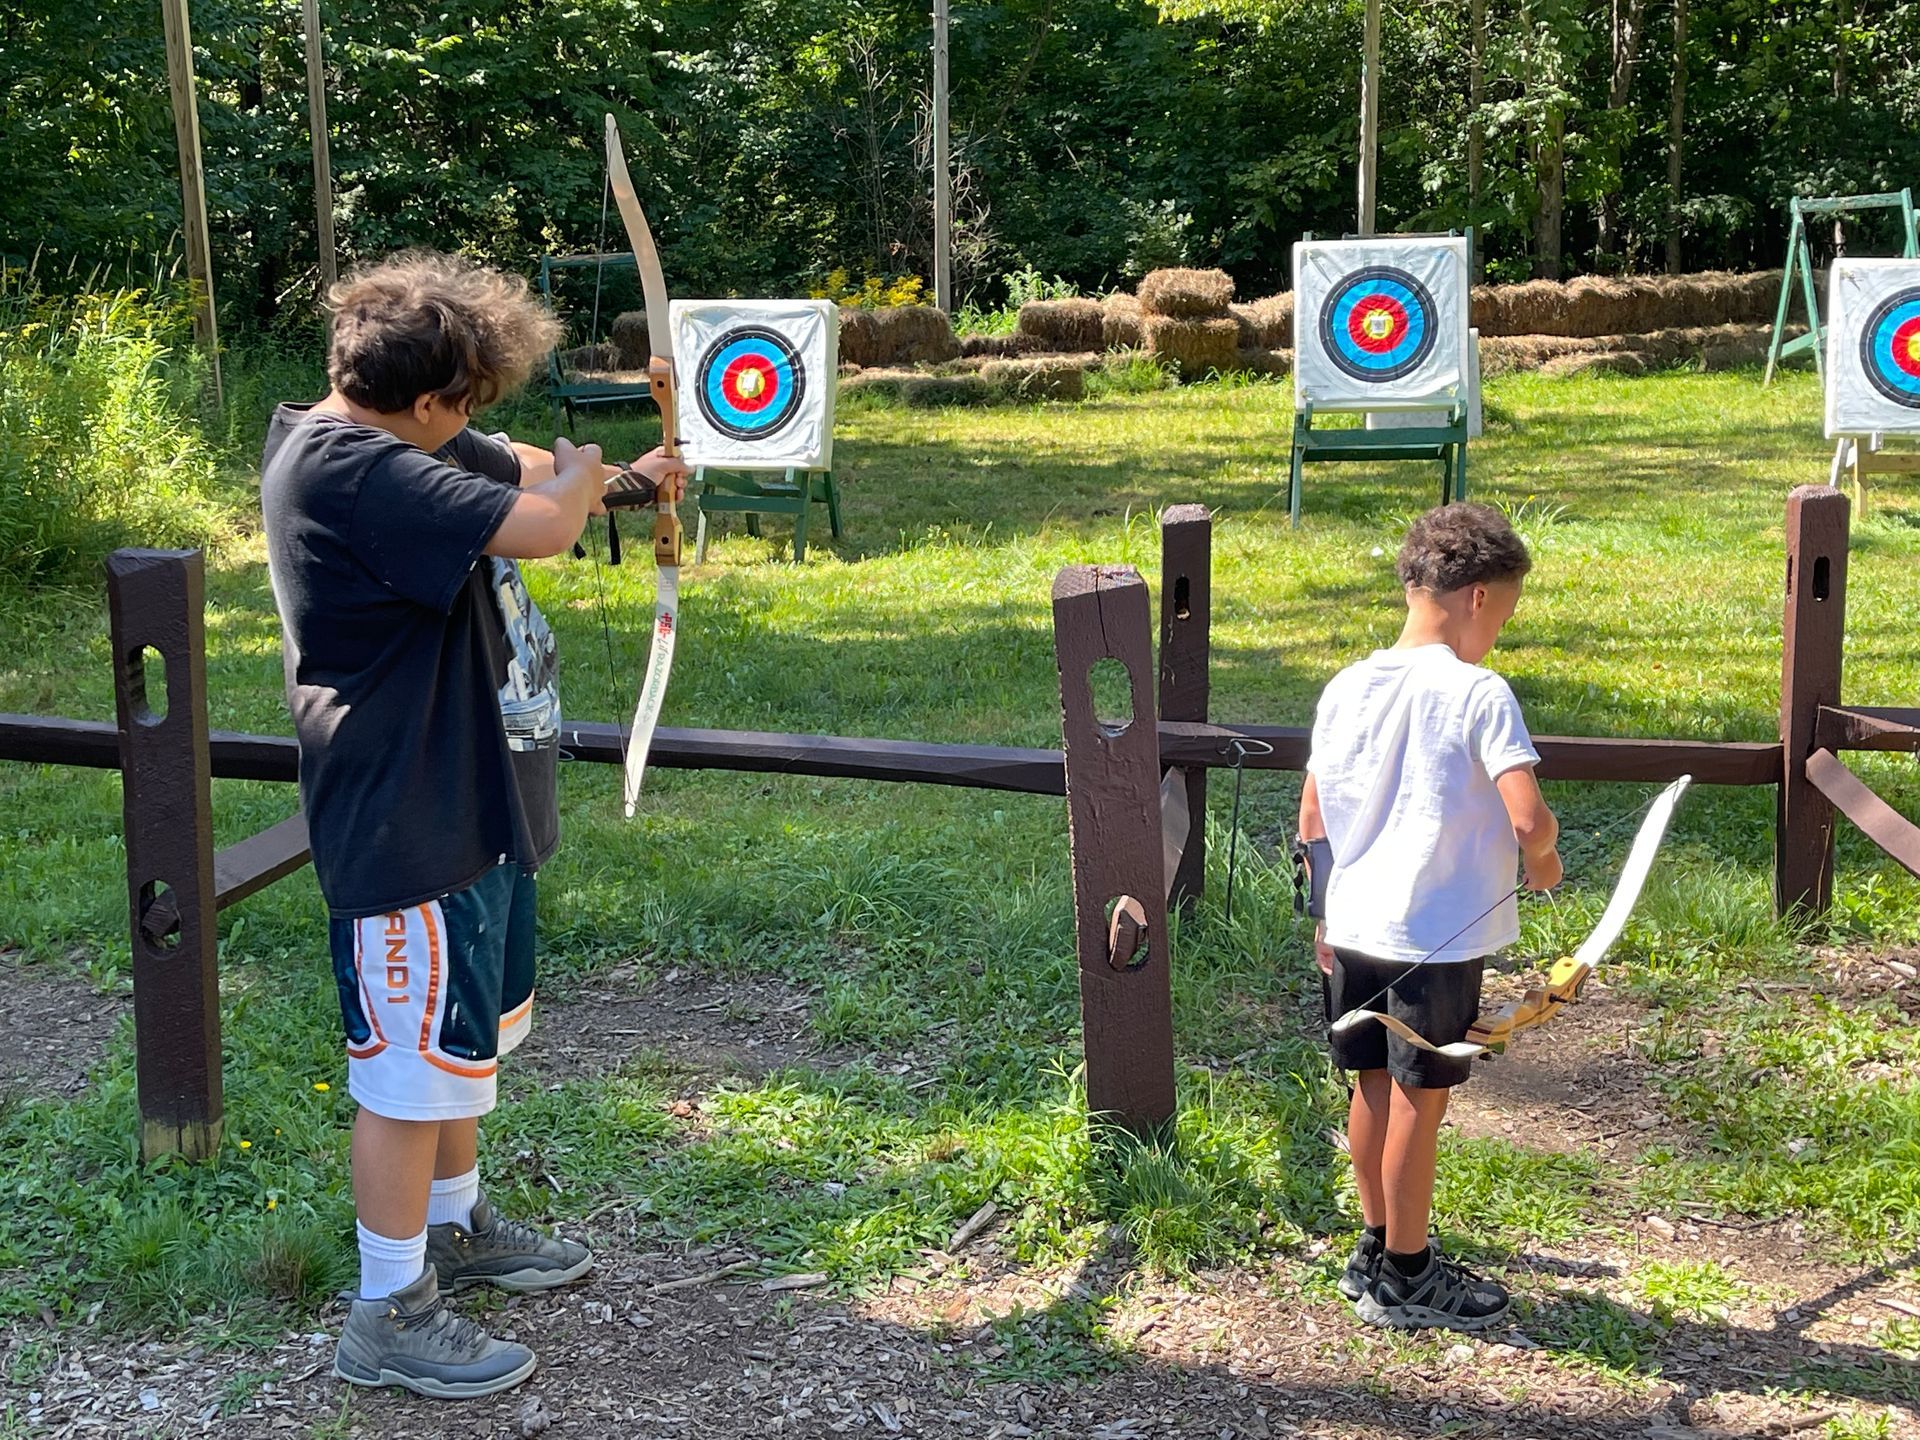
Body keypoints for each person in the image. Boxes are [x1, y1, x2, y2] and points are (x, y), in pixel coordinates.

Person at [261, 251, 687, 1398]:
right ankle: (387, 1311)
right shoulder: (353, 470)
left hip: (470, 804)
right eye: (470, 401)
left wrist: (642, 478)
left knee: (458, 1057)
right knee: (406, 1080)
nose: (475, 424)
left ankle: (455, 1232)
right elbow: (546, 514)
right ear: (430, 398)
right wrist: (595, 474)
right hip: (408, 819)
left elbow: (528, 468)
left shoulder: (401, 435)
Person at [1295, 501, 1561, 1333]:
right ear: (1478, 596)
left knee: (1372, 1083)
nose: (1498, 633)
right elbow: (1527, 818)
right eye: (1504, 614)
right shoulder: (1478, 691)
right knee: (1421, 1099)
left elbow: (1312, 817)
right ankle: (1408, 1274)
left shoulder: (1346, 686)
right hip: (1434, 938)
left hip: (1357, 926)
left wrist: (1322, 911)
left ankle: (1374, 1246)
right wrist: (1546, 863)